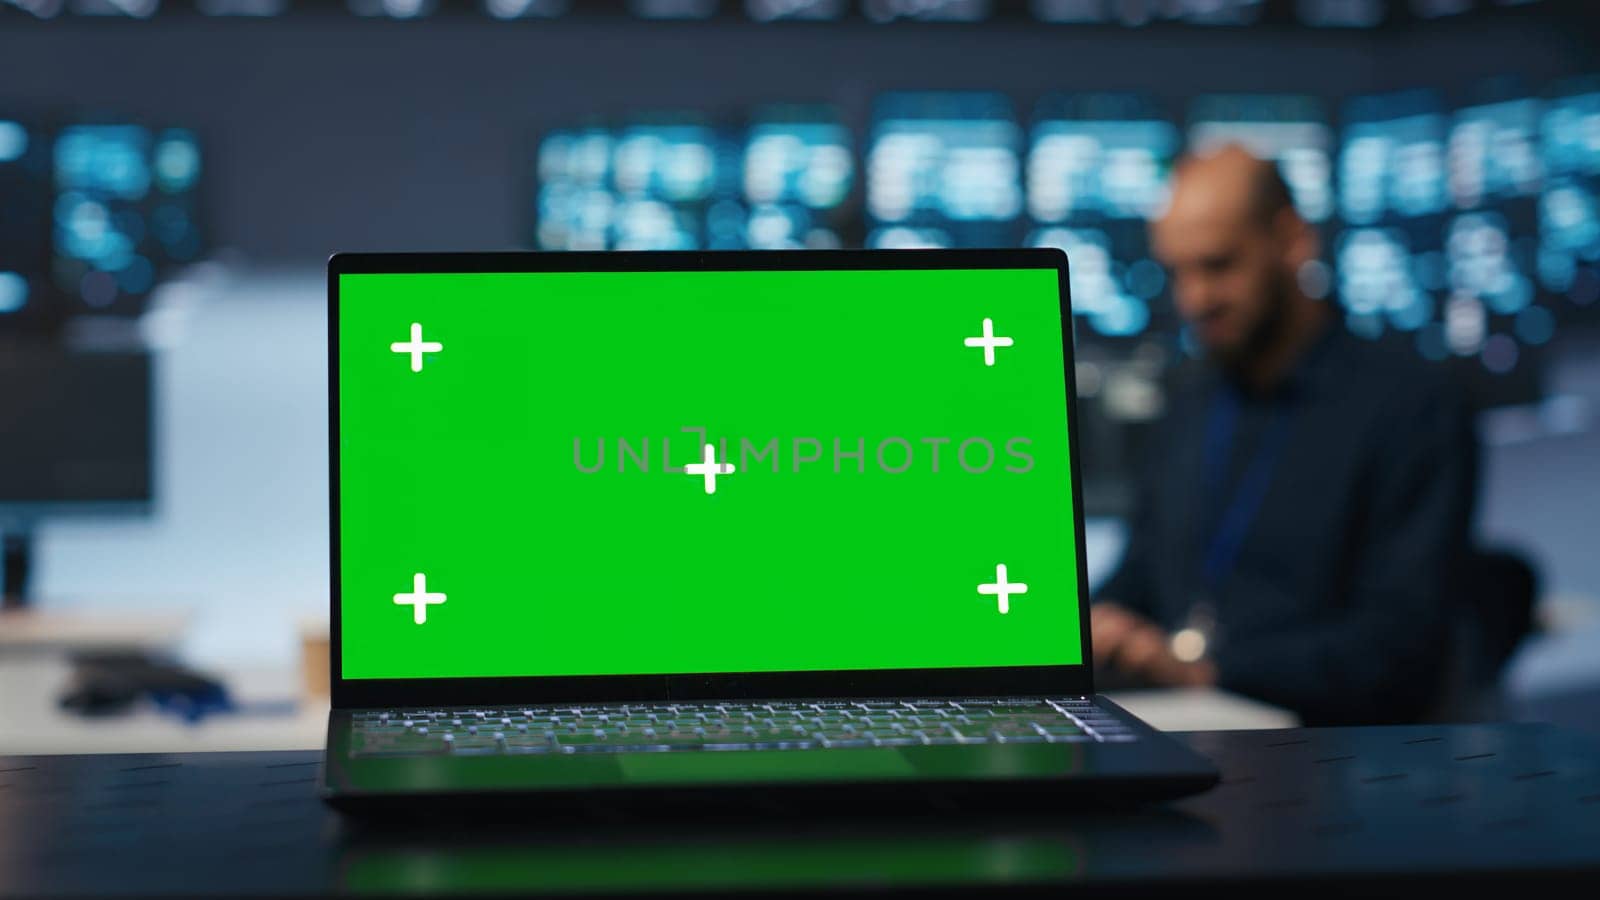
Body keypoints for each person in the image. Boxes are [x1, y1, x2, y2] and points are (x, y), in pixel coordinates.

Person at [1092, 145, 1478, 726]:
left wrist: (1206, 670)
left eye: (1218, 265)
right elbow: (1143, 572)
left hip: (1329, 754)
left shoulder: (1410, 407)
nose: (1194, 299)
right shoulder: (1190, 403)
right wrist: (1100, 625)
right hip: (1183, 724)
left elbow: (1399, 650)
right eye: (1177, 273)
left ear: (1293, 240)